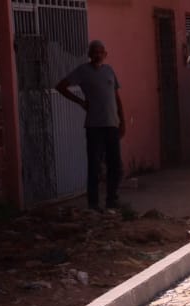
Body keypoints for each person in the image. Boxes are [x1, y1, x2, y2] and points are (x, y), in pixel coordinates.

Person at [56, 40, 126, 214]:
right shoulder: (82, 71)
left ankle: (112, 200)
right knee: (94, 165)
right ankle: (93, 204)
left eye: (100, 52)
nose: (97, 54)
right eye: (94, 52)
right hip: (94, 126)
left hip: (112, 124)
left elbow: (116, 98)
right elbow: (61, 86)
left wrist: (122, 121)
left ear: (105, 54)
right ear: (89, 54)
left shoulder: (109, 71)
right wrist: (80, 101)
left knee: (114, 164)